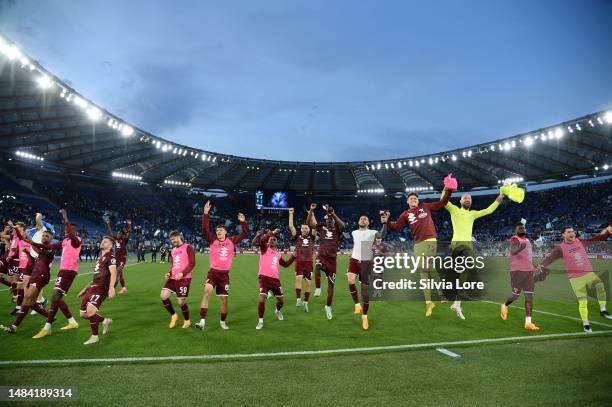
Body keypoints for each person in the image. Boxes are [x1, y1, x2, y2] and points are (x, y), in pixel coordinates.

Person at [389, 185, 450, 316]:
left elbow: (442, 203)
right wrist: (387, 221)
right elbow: (397, 227)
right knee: (428, 270)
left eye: (414, 198)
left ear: (418, 200)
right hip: (418, 245)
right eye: (410, 198)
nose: (413, 200)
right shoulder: (405, 214)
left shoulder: (425, 207)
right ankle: (437, 298)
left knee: (424, 268)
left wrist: (449, 190)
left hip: (430, 241)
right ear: (407, 201)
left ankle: (433, 300)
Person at [443, 190, 505, 319]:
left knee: (463, 272)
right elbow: (443, 200)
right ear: (460, 201)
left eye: (469, 198)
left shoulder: (473, 214)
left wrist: (500, 197)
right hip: (458, 245)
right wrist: (446, 187)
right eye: (465, 198)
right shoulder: (454, 210)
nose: (467, 199)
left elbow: (489, 210)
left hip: (467, 246)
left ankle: (457, 303)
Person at [540, 225, 612, 332]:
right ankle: (586, 324)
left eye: (573, 231)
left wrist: (607, 233)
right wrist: (542, 266)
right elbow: (550, 258)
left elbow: (594, 240)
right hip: (575, 278)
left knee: (600, 286)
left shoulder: (579, 241)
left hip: (588, 274)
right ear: (563, 234)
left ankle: (603, 310)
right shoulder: (560, 248)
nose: (572, 233)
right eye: (569, 232)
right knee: (583, 302)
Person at [196, 200, 249, 331]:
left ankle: (222, 322)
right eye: (217, 230)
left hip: (224, 276)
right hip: (213, 273)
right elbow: (204, 229)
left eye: (220, 230)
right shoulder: (212, 239)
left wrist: (243, 222)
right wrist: (206, 213)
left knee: (224, 300)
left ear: (225, 232)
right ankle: (202, 321)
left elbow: (245, 233)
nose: (218, 232)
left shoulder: (232, 241)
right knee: (207, 291)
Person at [32, 209, 82, 339]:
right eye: (66, 229)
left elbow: (71, 234)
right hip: (63, 271)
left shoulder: (76, 240)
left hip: (69, 271)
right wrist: (30, 241)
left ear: (74, 231)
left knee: (55, 296)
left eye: (69, 229)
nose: (66, 231)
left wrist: (65, 217)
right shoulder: (65, 241)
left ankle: (47, 327)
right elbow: (50, 247)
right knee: (57, 298)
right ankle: (72, 322)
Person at [1, 227, 54, 333]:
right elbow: (37, 253)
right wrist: (28, 251)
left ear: (51, 239)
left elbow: (36, 248)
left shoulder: (50, 248)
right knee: (31, 302)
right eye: (43, 235)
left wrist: (28, 240)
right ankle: (50, 317)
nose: (44, 237)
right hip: (36, 275)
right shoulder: (43, 249)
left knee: (27, 300)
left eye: (46, 236)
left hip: (42, 276)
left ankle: (14, 326)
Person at [347, 212, 388, 330]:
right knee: (350, 280)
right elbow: (357, 244)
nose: (363, 220)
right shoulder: (354, 232)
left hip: (366, 262)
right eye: (361, 218)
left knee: (365, 293)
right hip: (354, 260)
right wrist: (352, 251)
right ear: (358, 222)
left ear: (368, 222)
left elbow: (381, 235)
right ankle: (356, 304)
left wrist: (384, 223)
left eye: (365, 219)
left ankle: (364, 317)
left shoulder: (373, 232)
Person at [76, 236, 117, 345]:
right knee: (83, 314)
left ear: (111, 245)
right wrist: (85, 289)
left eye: (106, 241)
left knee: (90, 312)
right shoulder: (100, 258)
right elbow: (96, 276)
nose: (103, 242)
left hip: (101, 288)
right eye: (102, 241)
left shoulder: (110, 256)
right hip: (93, 286)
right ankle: (105, 321)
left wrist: (111, 287)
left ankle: (94, 337)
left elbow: (113, 273)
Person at [500, 222, 540, 330]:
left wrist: (534, 264)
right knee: (515, 296)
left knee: (529, 297)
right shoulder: (514, 239)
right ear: (516, 231)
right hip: (517, 272)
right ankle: (504, 305)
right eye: (519, 228)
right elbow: (513, 252)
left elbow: (528, 257)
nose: (522, 229)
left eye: (523, 227)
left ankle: (528, 323)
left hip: (529, 272)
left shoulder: (527, 241)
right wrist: (520, 248)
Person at [308, 203, 345, 320]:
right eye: (327, 219)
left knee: (331, 285)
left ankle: (328, 306)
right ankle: (318, 288)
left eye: (331, 220)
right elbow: (310, 223)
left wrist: (333, 214)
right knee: (317, 265)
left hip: (332, 260)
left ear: (333, 221)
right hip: (322, 256)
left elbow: (343, 226)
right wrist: (311, 211)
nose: (329, 221)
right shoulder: (321, 227)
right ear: (325, 221)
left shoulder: (338, 230)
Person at [252, 229, 294, 330]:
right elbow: (260, 241)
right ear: (268, 241)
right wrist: (273, 233)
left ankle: (277, 311)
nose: (272, 240)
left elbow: (285, 264)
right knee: (262, 299)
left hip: (275, 280)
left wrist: (294, 257)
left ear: (277, 242)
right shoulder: (264, 248)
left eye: (274, 239)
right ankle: (260, 321)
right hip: (264, 278)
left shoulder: (278, 254)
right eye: (271, 239)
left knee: (281, 302)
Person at [160, 231, 195, 329]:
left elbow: (192, 263)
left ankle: (187, 321)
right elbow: (173, 265)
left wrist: (182, 273)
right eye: (171, 240)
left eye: (174, 238)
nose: (172, 241)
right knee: (163, 296)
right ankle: (174, 315)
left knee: (181, 302)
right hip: (173, 278)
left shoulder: (188, 247)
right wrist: (169, 273)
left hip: (184, 278)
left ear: (179, 236)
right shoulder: (172, 250)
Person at [288, 207, 315, 313]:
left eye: (306, 228)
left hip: (309, 263)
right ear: (301, 229)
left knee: (308, 283)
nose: (304, 229)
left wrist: (311, 214)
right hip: (299, 262)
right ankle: (298, 299)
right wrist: (291, 214)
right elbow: (291, 226)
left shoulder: (312, 237)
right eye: (303, 228)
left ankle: (306, 303)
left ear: (308, 229)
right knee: (298, 279)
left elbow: (314, 226)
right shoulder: (297, 237)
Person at [106, 218, 132, 294]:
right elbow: (110, 232)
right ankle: (123, 287)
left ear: (122, 235)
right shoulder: (114, 239)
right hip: (115, 258)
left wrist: (129, 225)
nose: (118, 234)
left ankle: (112, 289)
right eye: (118, 233)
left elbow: (129, 233)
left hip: (122, 258)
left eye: (120, 233)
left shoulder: (124, 240)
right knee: (120, 274)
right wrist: (108, 224)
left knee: (117, 272)